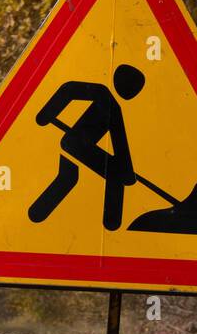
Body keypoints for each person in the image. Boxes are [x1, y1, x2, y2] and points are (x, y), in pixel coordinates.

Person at [27, 64, 146, 231]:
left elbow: (120, 143)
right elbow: (69, 90)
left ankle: (37, 215)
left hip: (77, 145)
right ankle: (111, 221)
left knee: (68, 178)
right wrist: (45, 114)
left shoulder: (113, 107)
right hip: (75, 144)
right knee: (109, 174)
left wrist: (127, 170)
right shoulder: (103, 94)